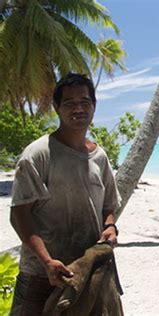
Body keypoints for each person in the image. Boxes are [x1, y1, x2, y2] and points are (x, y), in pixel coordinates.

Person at [9, 73, 121, 315]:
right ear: (57, 108)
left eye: (85, 102)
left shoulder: (99, 158)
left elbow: (108, 206)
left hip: (87, 272)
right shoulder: (38, 154)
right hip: (41, 275)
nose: (79, 108)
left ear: (94, 106)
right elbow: (19, 214)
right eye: (69, 103)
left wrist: (110, 227)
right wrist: (47, 261)